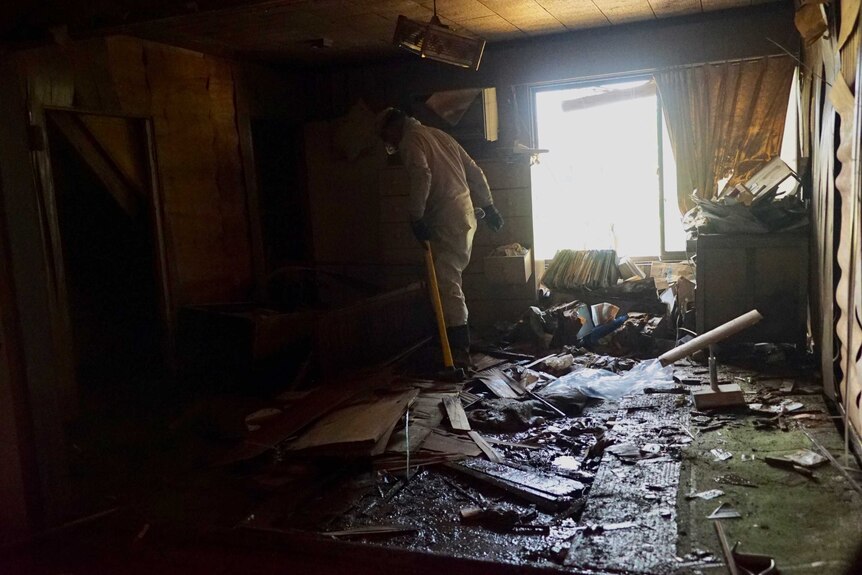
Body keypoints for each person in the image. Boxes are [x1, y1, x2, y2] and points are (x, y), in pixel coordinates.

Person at [375, 107, 504, 368]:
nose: (389, 143)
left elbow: (422, 175)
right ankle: (450, 341)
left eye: (386, 137)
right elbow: (474, 170)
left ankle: (458, 352)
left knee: (447, 282)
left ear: (391, 128)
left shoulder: (411, 141)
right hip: (464, 214)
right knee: (447, 279)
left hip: (446, 218)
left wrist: (416, 217)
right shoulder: (440, 135)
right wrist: (489, 207)